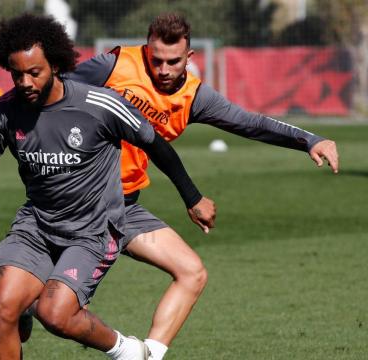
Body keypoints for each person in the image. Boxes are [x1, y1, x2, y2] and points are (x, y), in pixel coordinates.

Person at [62, 12, 340, 359]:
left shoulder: (194, 97)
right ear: (146, 50)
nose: (162, 70)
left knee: (192, 273)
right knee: (57, 310)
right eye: (156, 60)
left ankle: (148, 356)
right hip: (81, 203)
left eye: (172, 62)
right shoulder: (115, 64)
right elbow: (56, 89)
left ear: (189, 58)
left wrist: (308, 139)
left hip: (126, 205)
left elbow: (250, 123)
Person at [0, 13, 215, 360]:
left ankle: (127, 350)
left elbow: (156, 145)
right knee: (0, 310)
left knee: (54, 314)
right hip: (37, 226)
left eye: (34, 72)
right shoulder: (5, 110)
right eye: (17, 74)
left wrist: (192, 198)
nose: (25, 82)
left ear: (56, 65)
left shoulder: (99, 105)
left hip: (94, 231)